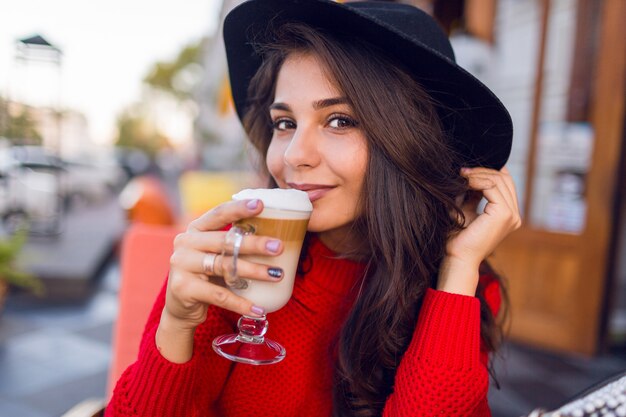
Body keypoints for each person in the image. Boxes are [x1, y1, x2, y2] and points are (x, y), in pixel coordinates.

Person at [106, 1, 521, 416]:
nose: (295, 156)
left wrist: (459, 267)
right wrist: (176, 324)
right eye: (284, 123)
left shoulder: (463, 288)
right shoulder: (234, 264)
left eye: (339, 120)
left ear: (411, 142)